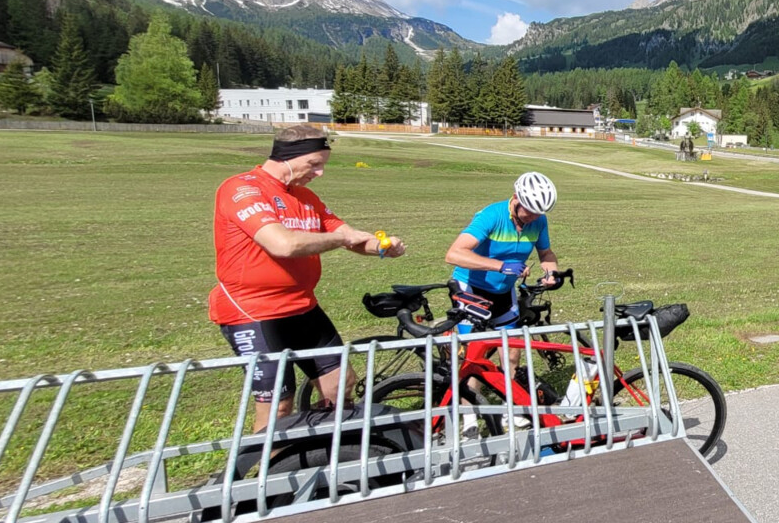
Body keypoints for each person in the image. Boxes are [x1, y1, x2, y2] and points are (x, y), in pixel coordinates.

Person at [210, 124, 405, 432]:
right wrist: (343, 239)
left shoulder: (305, 197)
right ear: (288, 156)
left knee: (341, 385)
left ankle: (321, 447)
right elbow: (283, 244)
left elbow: (347, 235)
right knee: (278, 407)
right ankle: (269, 461)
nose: (319, 173)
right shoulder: (242, 189)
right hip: (253, 312)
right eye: (314, 164)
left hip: (302, 307)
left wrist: (382, 247)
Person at [443, 171, 561, 332]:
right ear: (516, 197)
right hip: (471, 289)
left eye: (539, 213)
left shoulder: (539, 220)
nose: (534, 217)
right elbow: (454, 254)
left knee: (511, 345)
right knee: (474, 345)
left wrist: (551, 273)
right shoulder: (492, 215)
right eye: (530, 211)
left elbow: (546, 253)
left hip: (504, 290)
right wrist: (502, 266)